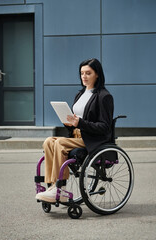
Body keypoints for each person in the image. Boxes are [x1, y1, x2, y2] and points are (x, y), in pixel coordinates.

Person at [36, 58, 114, 202]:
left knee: (59, 144)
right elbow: (77, 121)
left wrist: (80, 123)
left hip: (92, 139)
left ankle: (61, 189)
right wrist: (69, 123)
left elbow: (104, 127)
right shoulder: (80, 94)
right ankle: (52, 186)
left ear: (97, 74)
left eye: (88, 73)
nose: (84, 76)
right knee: (48, 141)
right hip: (77, 136)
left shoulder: (104, 96)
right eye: (82, 73)